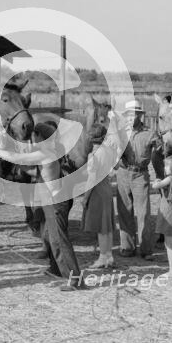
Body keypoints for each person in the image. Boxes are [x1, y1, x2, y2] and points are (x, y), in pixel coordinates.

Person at [31, 122, 84, 291]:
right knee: (50, 237)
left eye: (34, 135)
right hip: (51, 201)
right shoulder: (51, 149)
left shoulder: (46, 153)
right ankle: (56, 269)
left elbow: (26, 165)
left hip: (56, 203)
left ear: (39, 136)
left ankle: (75, 279)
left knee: (59, 241)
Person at [115, 100, 164, 260]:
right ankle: (127, 247)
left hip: (140, 175)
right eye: (128, 114)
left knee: (143, 213)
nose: (131, 117)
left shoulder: (150, 134)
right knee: (124, 211)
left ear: (140, 115)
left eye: (134, 114)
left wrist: (160, 174)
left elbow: (158, 156)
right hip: (122, 173)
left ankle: (146, 249)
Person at [81, 123, 118, 269]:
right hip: (107, 189)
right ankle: (109, 255)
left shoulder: (93, 155)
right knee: (107, 226)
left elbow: (92, 179)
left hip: (97, 191)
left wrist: (85, 198)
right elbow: (116, 167)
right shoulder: (108, 151)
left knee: (101, 228)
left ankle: (103, 257)